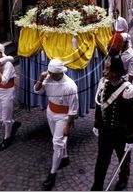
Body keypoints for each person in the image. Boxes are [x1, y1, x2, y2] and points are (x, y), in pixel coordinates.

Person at [91, 55, 133, 191]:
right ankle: (97, 185)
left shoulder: (129, 91)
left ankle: (123, 179)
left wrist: (131, 138)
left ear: (116, 71)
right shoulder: (103, 84)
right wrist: (96, 123)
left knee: (123, 160)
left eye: (108, 69)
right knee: (101, 160)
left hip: (121, 133)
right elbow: (99, 105)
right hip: (105, 131)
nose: (104, 71)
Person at [34, 59, 79, 190]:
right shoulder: (48, 78)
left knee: (57, 144)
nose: (51, 76)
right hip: (51, 112)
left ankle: (52, 174)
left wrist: (68, 126)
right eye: (49, 73)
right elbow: (37, 90)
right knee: (56, 138)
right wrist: (41, 79)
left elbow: (73, 109)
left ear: (60, 72)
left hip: (63, 117)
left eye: (53, 74)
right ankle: (65, 158)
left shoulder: (70, 86)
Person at [0, 42, 21, 151]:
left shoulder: (8, 64)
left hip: (8, 91)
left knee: (6, 118)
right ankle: (13, 123)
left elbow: (4, 80)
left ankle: (7, 138)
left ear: (0, 53)